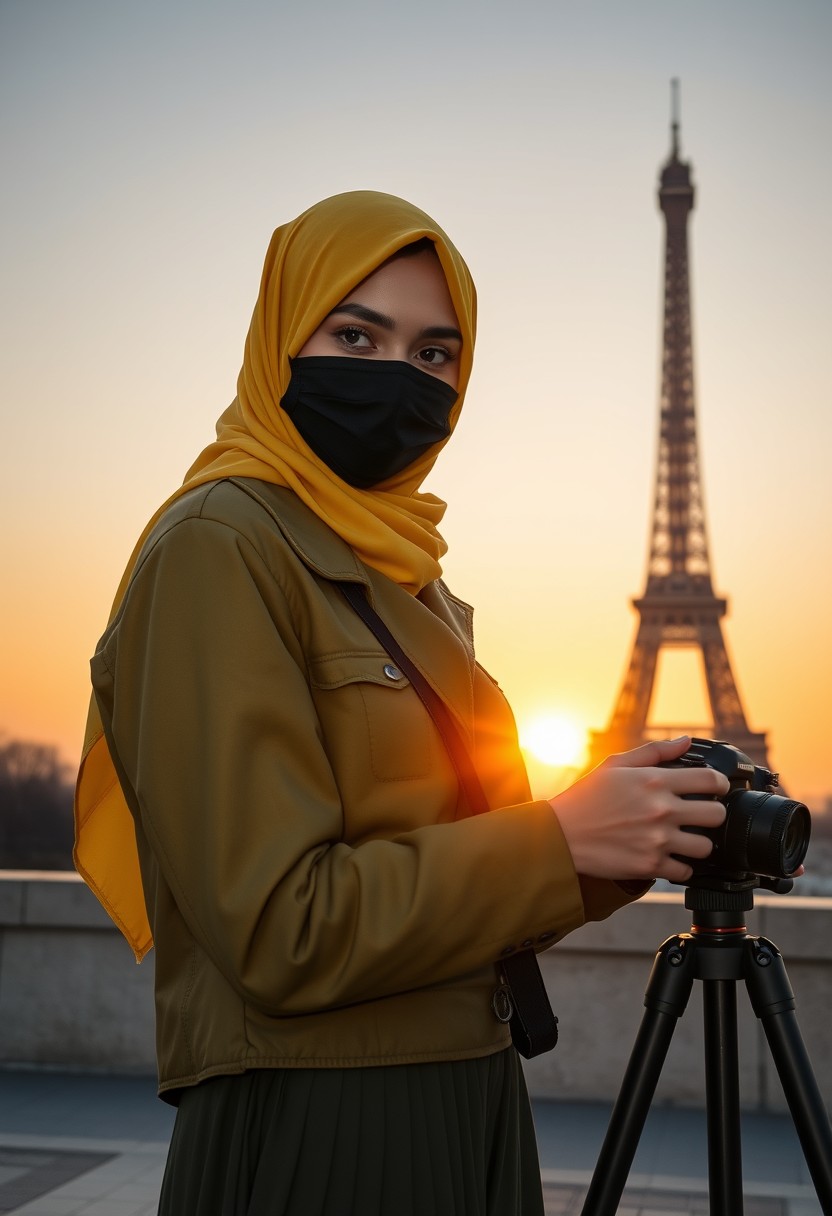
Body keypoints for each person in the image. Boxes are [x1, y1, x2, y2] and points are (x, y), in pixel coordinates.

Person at [74, 190, 729, 1216]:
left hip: (473, 1097)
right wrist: (557, 841)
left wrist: (619, 841)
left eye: (434, 354)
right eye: (354, 333)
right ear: (281, 335)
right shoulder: (220, 545)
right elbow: (278, 931)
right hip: (317, 1123)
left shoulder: (408, 578)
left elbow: (466, 894)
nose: (398, 378)